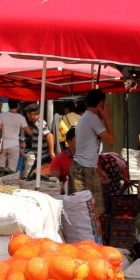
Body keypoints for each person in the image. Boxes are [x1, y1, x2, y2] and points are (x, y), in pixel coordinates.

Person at [69, 89, 114, 230]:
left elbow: (86, 149)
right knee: (87, 210)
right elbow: (111, 140)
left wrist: (98, 169)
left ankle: (95, 238)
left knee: (94, 209)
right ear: (101, 103)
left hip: (86, 167)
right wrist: (106, 117)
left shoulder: (86, 118)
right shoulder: (92, 118)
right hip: (83, 169)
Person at [21, 104, 56, 177]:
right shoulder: (37, 123)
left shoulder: (39, 122)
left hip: (43, 157)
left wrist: (51, 153)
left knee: (33, 177)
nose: (27, 116)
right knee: (33, 176)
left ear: (32, 114)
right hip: (40, 157)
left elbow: (50, 136)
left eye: (27, 113)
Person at [0, 103, 29, 171]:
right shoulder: (21, 118)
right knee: (12, 170)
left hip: (3, 145)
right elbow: (29, 132)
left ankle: (0, 181)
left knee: (0, 168)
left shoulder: (2, 115)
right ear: (18, 106)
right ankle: (10, 181)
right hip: (14, 145)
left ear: (9, 105)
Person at [50, 127, 75, 193]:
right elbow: (55, 180)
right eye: (78, 137)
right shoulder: (59, 159)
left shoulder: (88, 156)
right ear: (69, 141)